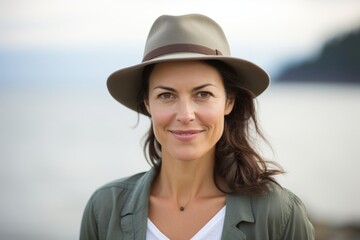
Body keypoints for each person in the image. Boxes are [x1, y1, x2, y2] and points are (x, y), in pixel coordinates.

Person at [80, 14, 315, 240]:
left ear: (229, 101)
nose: (185, 115)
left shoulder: (280, 215)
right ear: (147, 103)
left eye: (203, 94)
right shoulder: (104, 210)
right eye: (166, 95)